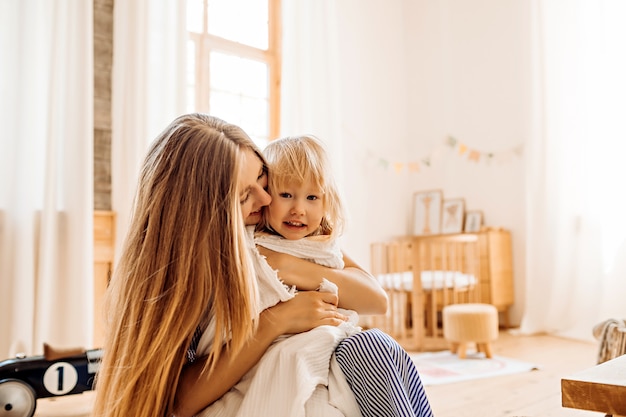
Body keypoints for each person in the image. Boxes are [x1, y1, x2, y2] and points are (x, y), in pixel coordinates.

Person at [93, 113, 432, 417]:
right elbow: (178, 402)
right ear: (205, 210)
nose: (267, 199)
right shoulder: (192, 269)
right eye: (245, 195)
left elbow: (376, 299)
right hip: (254, 383)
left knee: (377, 350)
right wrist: (276, 320)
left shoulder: (279, 239)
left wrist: (285, 265)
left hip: (319, 358)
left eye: (264, 181)